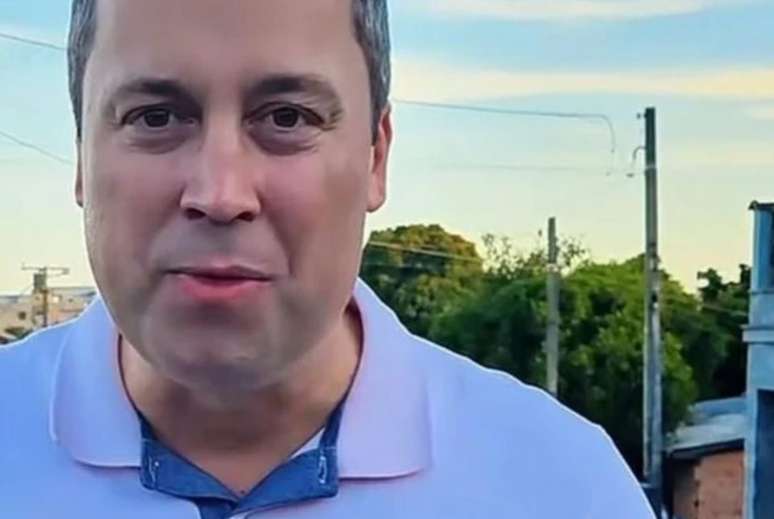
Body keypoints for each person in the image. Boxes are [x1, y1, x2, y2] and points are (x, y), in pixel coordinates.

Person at [0, 1, 656, 517]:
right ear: (82, 155)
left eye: (287, 118)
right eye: (155, 117)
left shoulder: (564, 488)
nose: (220, 194)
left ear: (376, 157)